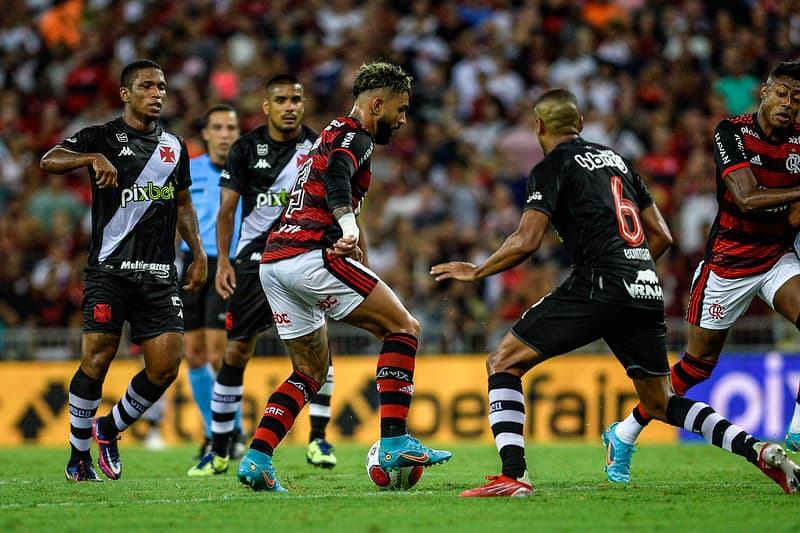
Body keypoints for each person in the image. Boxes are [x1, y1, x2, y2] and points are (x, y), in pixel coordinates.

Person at [430, 88, 800, 497]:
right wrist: (634, 271)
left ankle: (514, 475)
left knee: (503, 361)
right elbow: (661, 234)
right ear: (581, 125)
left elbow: (526, 239)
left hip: (599, 281)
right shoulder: (617, 161)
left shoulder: (551, 167)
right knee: (660, 402)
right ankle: (759, 451)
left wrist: (479, 270)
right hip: (644, 285)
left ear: (538, 127)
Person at [236, 61, 452, 492]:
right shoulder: (358, 137)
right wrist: (348, 228)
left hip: (275, 263)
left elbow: (330, 183)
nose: (404, 119)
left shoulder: (329, 131)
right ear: (378, 104)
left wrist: (359, 253)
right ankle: (393, 441)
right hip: (312, 255)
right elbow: (337, 175)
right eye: (401, 109)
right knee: (404, 328)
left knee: (310, 372)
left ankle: (257, 458)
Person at [604, 59, 800, 483]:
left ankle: (798, 429)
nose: (789, 105)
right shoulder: (731, 131)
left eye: (798, 100)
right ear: (764, 93)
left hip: (777, 257)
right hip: (728, 263)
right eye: (782, 93)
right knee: (697, 366)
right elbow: (747, 197)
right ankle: (624, 432)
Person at [41, 59, 207, 482]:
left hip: (158, 272)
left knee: (166, 366)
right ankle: (78, 458)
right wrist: (91, 157)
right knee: (96, 360)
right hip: (109, 271)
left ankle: (108, 428)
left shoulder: (175, 146)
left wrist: (199, 252)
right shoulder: (102, 136)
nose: (158, 94)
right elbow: (49, 159)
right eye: (148, 86)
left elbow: (183, 204)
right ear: (126, 94)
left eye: (163, 87)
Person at [188, 75, 337, 476]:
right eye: (282, 99)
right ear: (266, 106)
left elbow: (338, 202)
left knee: (318, 349)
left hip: (305, 258)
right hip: (252, 264)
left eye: (297, 99)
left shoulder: (320, 148)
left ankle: (319, 439)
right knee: (236, 351)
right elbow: (226, 211)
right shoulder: (245, 149)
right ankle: (219, 450)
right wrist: (223, 262)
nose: (290, 106)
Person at [179, 103, 248, 465]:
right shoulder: (189, 170)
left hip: (230, 266)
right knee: (192, 354)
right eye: (218, 127)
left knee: (219, 353)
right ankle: (214, 432)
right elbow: (176, 214)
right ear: (205, 134)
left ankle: (230, 432)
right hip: (192, 267)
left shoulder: (248, 172)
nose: (224, 134)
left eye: (231, 127)